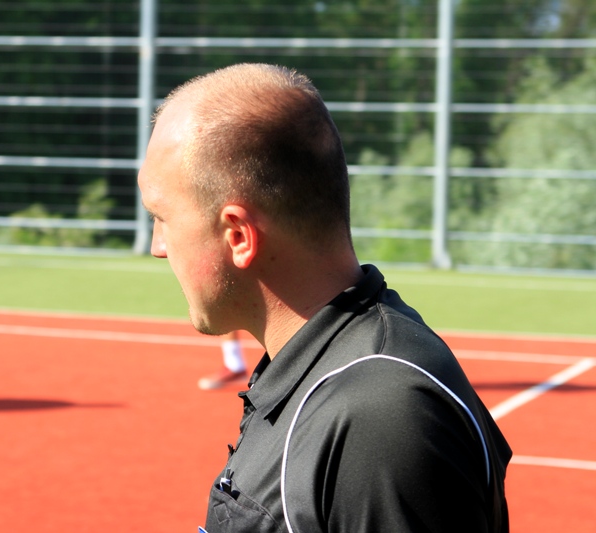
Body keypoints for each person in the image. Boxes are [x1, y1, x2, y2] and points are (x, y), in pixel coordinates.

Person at [137, 63, 511, 533]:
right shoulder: (323, 370)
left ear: (238, 236)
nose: (157, 247)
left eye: (162, 218)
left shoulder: (377, 419)